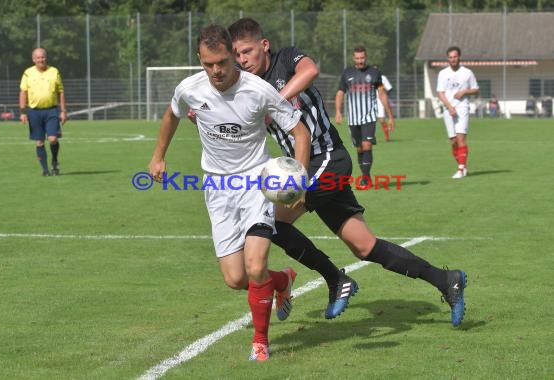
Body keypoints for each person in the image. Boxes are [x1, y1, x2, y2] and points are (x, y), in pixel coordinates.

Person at [229, 18, 468, 328]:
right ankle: (447, 280)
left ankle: (335, 278)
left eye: (246, 51)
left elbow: (310, 71)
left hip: (328, 157)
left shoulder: (286, 59)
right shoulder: (247, 85)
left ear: (264, 45)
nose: (242, 60)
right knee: (365, 246)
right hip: (306, 165)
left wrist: (276, 99)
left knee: (271, 221)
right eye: (237, 55)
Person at [148, 24, 311, 362]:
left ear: (234, 56)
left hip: (256, 184)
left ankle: (260, 343)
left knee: (254, 266)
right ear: (199, 59)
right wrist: (158, 155)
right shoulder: (189, 89)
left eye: (222, 62)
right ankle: (282, 280)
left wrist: (300, 178)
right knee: (236, 279)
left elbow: (300, 131)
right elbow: (171, 115)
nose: (216, 71)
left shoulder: (259, 90)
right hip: (218, 188)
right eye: (208, 64)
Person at [335, 46, 394, 187]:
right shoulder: (347, 73)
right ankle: (364, 176)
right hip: (353, 118)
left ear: (366, 57)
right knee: (359, 148)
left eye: (362, 58)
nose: (360, 61)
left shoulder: (374, 73)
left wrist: (390, 115)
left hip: (369, 117)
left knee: (367, 145)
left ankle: (366, 178)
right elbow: (340, 93)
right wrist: (338, 111)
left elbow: (382, 93)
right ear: (353, 58)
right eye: (357, 58)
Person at [19, 47, 67, 176]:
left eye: (43, 57)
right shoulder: (27, 73)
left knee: (52, 139)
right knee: (39, 141)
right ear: (34, 59)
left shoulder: (54, 71)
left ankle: (55, 161)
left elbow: (60, 92)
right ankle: (45, 170)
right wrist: (23, 112)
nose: (41, 59)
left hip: (51, 110)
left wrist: (63, 111)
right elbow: (23, 92)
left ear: (46, 58)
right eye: (38, 57)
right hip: (34, 112)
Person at [436, 46, 479, 179]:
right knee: (453, 141)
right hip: (448, 109)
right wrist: (449, 107)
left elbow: (476, 89)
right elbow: (440, 93)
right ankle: (463, 166)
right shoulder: (443, 73)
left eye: (455, 57)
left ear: (459, 57)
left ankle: (460, 170)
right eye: (450, 57)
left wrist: (465, 91)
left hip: (462, 108)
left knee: (461, 139)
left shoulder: (467, 73)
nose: (453, 59)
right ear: (447, 59)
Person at [372, 64, 394, 142]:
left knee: (381, 120)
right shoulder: (368, 77)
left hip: (380, 101)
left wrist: (385, 95)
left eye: (376, 69)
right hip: (370, 101)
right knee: (371, 120)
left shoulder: (383, 78)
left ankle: (387, 137)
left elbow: (389, 88)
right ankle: (370, 138)